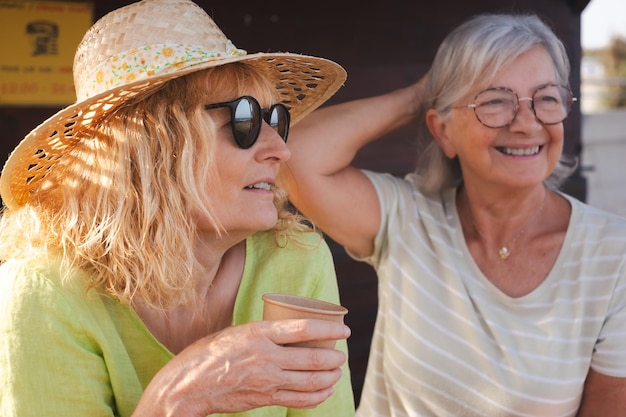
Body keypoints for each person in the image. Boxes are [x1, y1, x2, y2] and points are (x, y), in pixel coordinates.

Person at [0, 1, 355, 416]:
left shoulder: (296, 260)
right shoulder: (46, 291)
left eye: (276, 119)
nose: (280, 149)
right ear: (150, 152)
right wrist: (179, 397)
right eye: (245, 122)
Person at [281, 12, 626, 417]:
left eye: (547, 98)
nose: (526, 123)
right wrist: (418, 96)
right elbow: (293, 159)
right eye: (496, 100)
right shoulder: (407, 218)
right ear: (442, 131)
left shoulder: (613, 256)